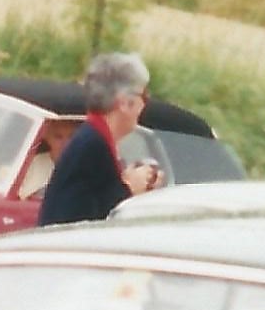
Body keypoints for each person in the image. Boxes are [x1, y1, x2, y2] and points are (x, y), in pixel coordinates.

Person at [37, 51, 167, 226]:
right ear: (125, 103)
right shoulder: (93, 144)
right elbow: (85, 218)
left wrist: (128, 184)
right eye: (143, 96)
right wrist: (129, 188)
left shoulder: (92, 137)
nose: (144, 105)